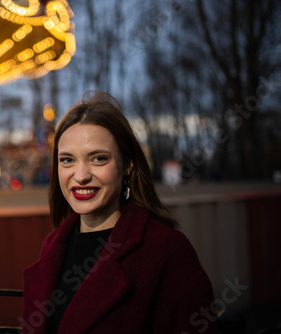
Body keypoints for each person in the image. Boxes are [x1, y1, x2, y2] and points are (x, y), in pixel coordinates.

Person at [21, 92, 217, 333]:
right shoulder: (51, 246)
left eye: (98, 158)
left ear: (127, 165)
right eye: (67, 160)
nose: (80, 176)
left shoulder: (166, 250)